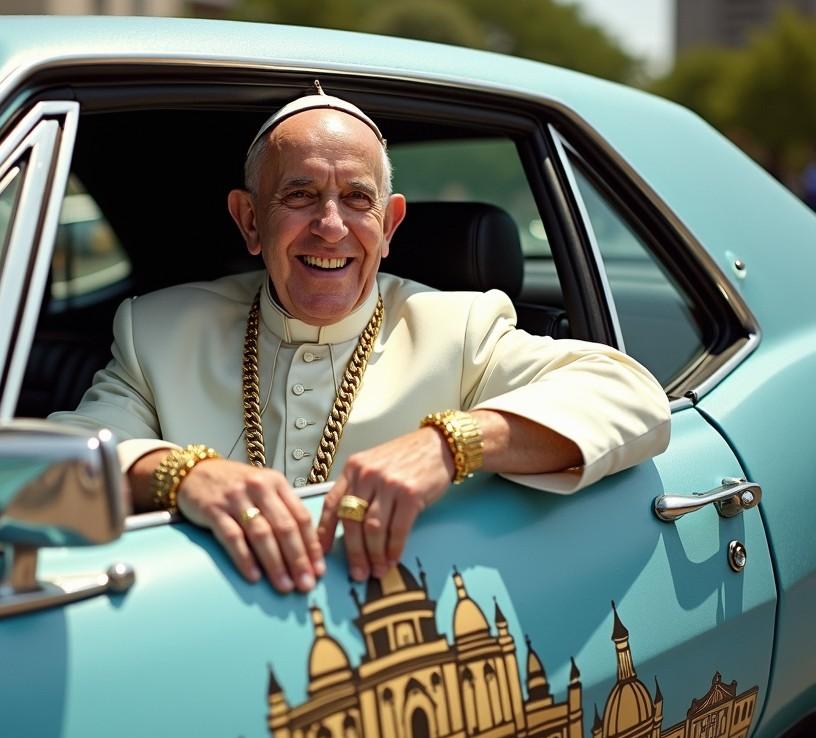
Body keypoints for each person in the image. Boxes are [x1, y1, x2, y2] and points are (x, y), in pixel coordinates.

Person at [52, 84, 670, 594]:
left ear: (389, 223)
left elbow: (631, 394)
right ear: (249, 220)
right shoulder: (158, 330)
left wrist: (447, 445)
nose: (330, 226)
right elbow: (46, 463)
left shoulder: (458, 328)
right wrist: (180, 475)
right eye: (299, 195)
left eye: (357, 199)